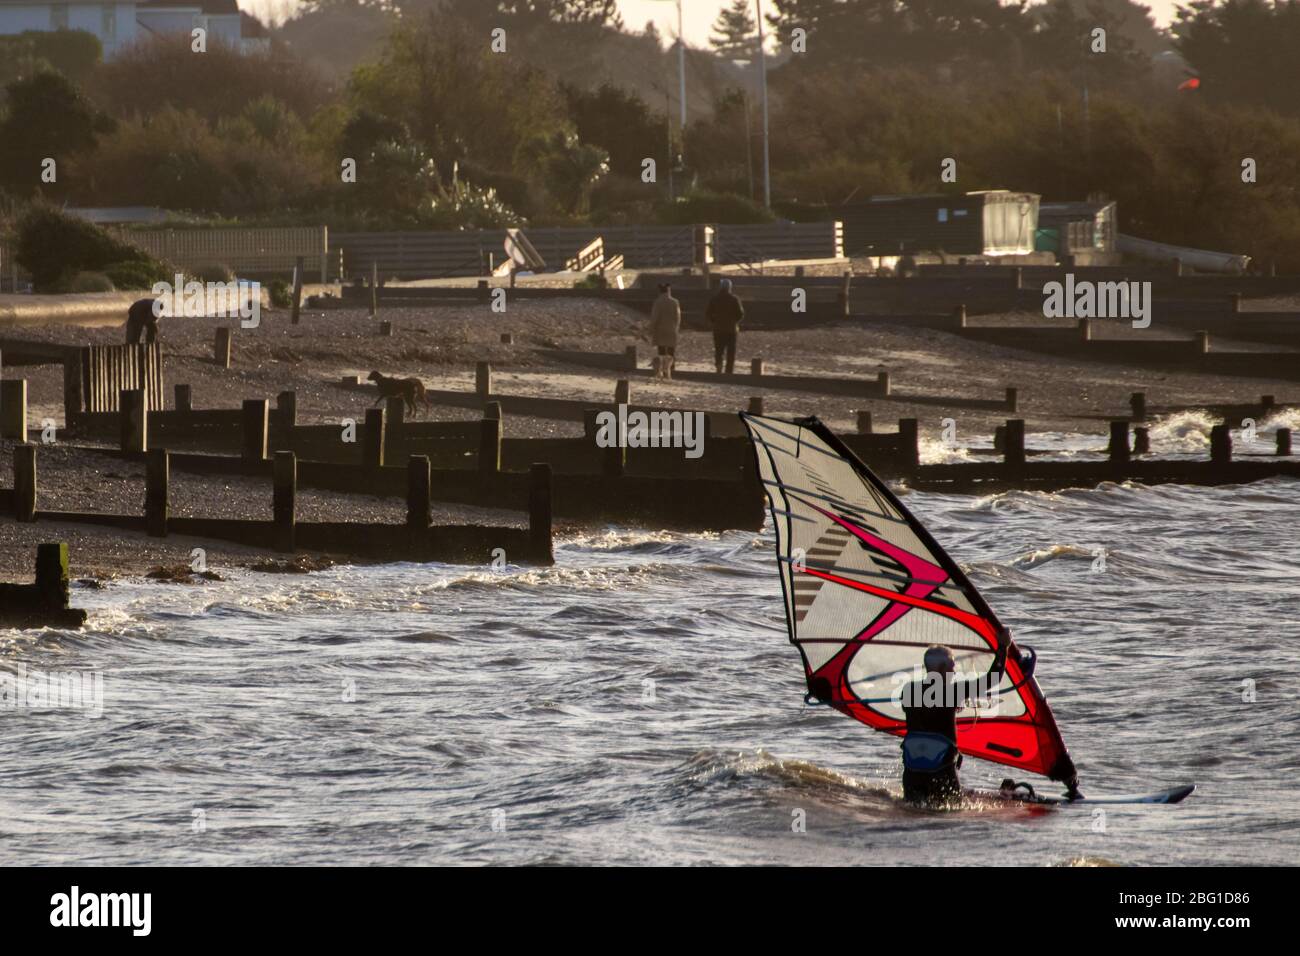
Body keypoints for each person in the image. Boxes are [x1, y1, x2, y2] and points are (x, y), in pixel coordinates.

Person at [899, 643, 1007, 807]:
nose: (955, 672)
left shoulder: (908, 690)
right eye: (952, 666)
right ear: (942, 668)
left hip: (913, 772)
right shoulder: (953, 691)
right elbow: (992, 679)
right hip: (941, 771)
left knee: (912, 810)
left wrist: (952, 705)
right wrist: (1003, 648)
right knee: (954, 812)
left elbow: (926, 710)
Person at [705, 277, 744, 374]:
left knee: (719, 351)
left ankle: (719, 368)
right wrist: (734, 321)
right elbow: (740, 314)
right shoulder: (734, 299)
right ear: (730, 287)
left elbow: (708, 313)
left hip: (718, 329)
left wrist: (714, 321)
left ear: (720, 287)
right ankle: (729, 371)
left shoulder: (715, 299)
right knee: (731, 352)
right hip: (731, 330)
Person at [649, 282, 681, 380]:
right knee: (671, 351)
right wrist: (676, 327)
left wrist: (651, 328)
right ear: (668, 291)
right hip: (671, 329)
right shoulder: (675, 302)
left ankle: (661, 371)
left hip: (660, 330)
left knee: (661, 350)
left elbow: (655, 317)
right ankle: (670, 370)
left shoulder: (658, 302)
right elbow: (678, 317)